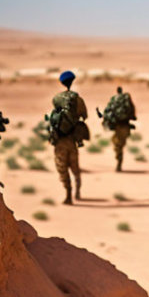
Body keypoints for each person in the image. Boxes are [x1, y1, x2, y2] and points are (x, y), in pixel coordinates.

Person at [47, 70, 89, 204]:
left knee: (62, 168)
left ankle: (68, 193)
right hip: (72, 139)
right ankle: (77, 190)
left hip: (59, 140)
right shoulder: (77, 99)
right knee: (75, 167)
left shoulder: (56, 98)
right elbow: (84, 116)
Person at [98, 86, 137, 172]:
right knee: (120, 145)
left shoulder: (113, 100)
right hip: (125, 126)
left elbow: (108, 111)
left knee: (117, 145)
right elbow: (132, 111)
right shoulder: (126, 99)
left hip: (118, 127)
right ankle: (119, 162)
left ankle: (119, 162)